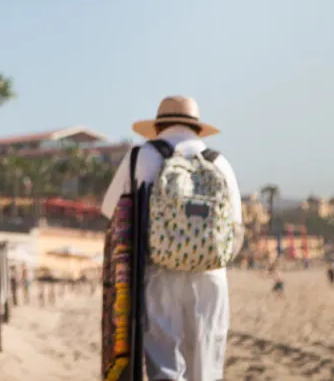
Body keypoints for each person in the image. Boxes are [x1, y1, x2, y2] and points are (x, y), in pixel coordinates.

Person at [100, 96, 243, 381]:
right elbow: (236, 227)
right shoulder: (220, 163)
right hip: (211, 275)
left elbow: (109, 210)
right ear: (198, 128)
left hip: (158, 271)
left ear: (158, 125)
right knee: (205, 367)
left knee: (164, 365)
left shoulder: (140, 156)